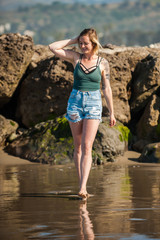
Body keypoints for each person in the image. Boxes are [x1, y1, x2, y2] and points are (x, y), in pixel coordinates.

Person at [49, 28, 116, 199]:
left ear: (94, 43)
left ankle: (83, 187)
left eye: (86, 43)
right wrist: (73, 39)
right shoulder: (75, 57)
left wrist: (112, 112)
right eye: (81, 43)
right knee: (77, 146)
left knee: (87, 146)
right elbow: (52, 47)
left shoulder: (103, 62)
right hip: (75, 103)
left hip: (94, 103)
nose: (83, 46)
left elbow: (106, 88)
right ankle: (81, 186)